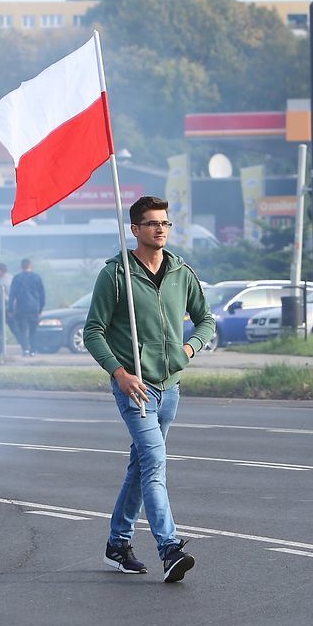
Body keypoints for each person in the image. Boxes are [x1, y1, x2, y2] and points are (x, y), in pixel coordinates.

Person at [83, 196, 215, 584]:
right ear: (135, 230)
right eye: (152, 223)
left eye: (166, 223)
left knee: (141, 465)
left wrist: (189, 349)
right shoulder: (115, 274)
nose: (161, 229)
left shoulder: (181, 272)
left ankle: (117, 544)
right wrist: (119, 373)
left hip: (170, 387)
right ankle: (169, 548)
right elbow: (94, 331)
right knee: (155, 463)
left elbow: (205, 319)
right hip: (134, 389)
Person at [7, 258, 45, 357]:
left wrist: (10, 308)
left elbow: (12, 294)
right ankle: (33, 350)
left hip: (21, 308)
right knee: (33, 330)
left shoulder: (17, 278)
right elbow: (42, 295)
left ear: (21, 267)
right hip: (34, 308)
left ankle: (25, 349)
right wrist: (41, 308)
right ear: (31, 266)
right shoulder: (37, 277)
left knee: (22, 330)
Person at [0, 262, 13, 356]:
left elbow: (9, 296)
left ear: (1, 270)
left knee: (13, 328)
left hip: (6, 308)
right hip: (2, 308)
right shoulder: (1, 279)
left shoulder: (6, 280)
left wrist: (9, 308)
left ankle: (26, 347)